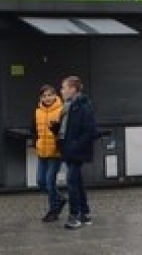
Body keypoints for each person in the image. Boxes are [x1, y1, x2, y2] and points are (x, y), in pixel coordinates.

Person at [56, 75, 98, 230]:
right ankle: (85, 213)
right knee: (77, 182)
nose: (62, 91)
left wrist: (75, 145)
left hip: (75, 151)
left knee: (72, 182)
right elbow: (67, 127)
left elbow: (89, 131)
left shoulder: (83, 106)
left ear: (73, 89)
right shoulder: (68, 106)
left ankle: (74, 215)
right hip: (69, 148)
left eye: (64, 87)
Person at [32, 84, 66, 223]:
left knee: (49, 181)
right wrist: (37, 143)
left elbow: (65, 131)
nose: (47, 98)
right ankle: (60, 199)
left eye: (50, 95)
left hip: (55, 152)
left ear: (55, 95)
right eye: (44, 96)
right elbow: (34, 130)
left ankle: (53, 211)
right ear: (41, 97)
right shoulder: (37, 111)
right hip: (42, 151)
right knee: (41, 182)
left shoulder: (62, 110)